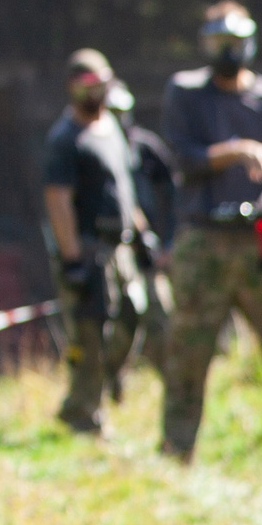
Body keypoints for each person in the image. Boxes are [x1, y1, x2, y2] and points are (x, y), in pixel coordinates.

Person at [157, 0, 262, 460]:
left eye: (233, 43)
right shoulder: (185, 94)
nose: (226, 52)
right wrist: (237, 151)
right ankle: (175, 451)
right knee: (187, 353)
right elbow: (184, 158)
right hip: (202, 240)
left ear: (248, 43)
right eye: (217, 43)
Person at [40, 50, 152, 433]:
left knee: (133, 315)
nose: (96, 91)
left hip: (119, 249)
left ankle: (105, 385)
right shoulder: (64, 139)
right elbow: (58, 200)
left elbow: (123, 190)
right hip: (87, 252)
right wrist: (72, 259)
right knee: (89, 333)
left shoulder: (112, 129)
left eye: (101, 82)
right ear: (72, 88)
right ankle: (84, 414)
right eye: (87, 85)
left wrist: (141, 234)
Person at [106, 80, 175, 389]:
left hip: (149, 254)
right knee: (119, 324)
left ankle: (174, 387)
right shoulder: (95, 147)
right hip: (113, 253)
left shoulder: (145, 147)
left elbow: (173, 192)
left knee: (162, 321)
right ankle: (113, 381)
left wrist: (168, 241)